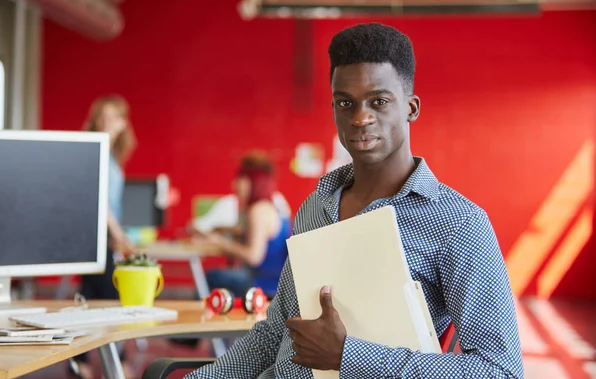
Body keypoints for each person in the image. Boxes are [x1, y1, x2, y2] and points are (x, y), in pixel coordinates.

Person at [186, 23, 523, 378]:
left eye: (379, 101)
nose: (360, 118)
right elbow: (273, 335)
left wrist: (348, 355)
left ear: (411, 108)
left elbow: (500, 369)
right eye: (345, 103)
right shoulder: (316, 207)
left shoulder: (458, 223)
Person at [71, 94, 137, 379]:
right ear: (96, 120)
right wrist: (119, 234)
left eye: (115, 117)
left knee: (91, 297)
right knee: (110, 296)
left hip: (103, 240)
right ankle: (116, 362)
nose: (108, 122)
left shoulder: (111, 157)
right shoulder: (93, 152)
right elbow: (100, 201)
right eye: (103, 116)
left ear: (123, 124)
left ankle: (81, 363)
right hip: (92, 237)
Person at [195, 152, 292, 298]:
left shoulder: (257, 211)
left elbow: (253, 256)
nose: (235, 185)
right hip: (276, 282)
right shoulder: (270, 207)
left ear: (253, 182)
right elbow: (248, 232)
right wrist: (218, 230)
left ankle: (201, 317)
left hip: (262, 284)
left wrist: (219, 241)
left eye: (240, 180)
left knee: (211, 277)